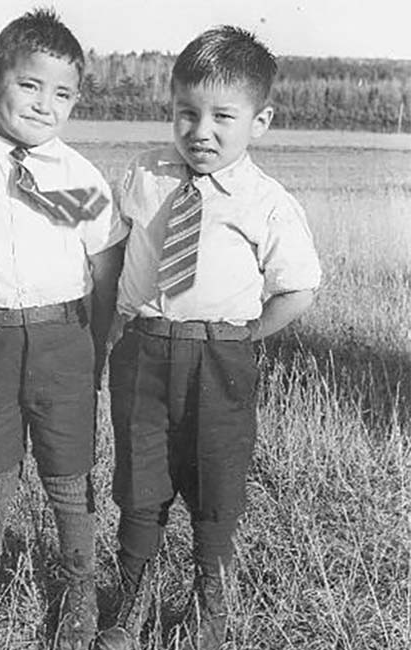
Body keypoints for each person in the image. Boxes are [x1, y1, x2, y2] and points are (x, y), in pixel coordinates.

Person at [93, 26, 322, 650]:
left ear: (260, 121)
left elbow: (299, 287)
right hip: (144, 348)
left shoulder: (266, 201)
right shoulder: (143, 174)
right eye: (186, 113)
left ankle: (207, 611)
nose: (201, 131)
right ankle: (131, 602)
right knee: (140, 482)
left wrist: (246, 335)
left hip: (220, 357)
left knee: (217, 485)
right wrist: (108, 331)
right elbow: (113, 257)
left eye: (223, 116)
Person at [0, 8, 126, 650]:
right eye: (29, 85)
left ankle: (80, 595)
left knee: (69, 478)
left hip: (63, 341)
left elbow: (106, 270)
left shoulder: (80, 178)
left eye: (63, 93)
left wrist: (94, 350)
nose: (45, 104)